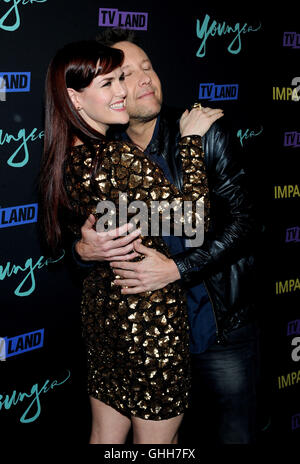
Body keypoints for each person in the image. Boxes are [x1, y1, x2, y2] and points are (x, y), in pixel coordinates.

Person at [73, 29, 261, 445]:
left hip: (216, 324)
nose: (144, 79)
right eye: (123, 75)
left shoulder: (202, 131)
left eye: (148, 67)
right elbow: (80, 241)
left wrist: (177, 268)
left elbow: (246, 224)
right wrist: (82, 250)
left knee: (232, 435)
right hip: (145, 337)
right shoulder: (105, 151)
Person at [39, 39, 222, 445]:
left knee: (104, 438)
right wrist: (190, 138)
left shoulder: (69, 158)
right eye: (107, 84)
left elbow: (137, 220)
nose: (122, 91)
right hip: (149, 324)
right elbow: (193, 221)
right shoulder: (112, 158)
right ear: (75, 98)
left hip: (105, 319)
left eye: (120, 79)